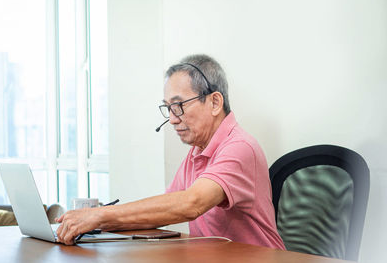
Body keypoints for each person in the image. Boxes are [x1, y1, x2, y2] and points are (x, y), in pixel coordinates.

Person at [56, 54, 285, 250]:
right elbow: (166, 207)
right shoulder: (198, 151)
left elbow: (190, 204)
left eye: (179, 106)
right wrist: (92, 222)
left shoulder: (240, 147)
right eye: (168, 108)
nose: (173, 119)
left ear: (215, 102)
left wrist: (99, 215)